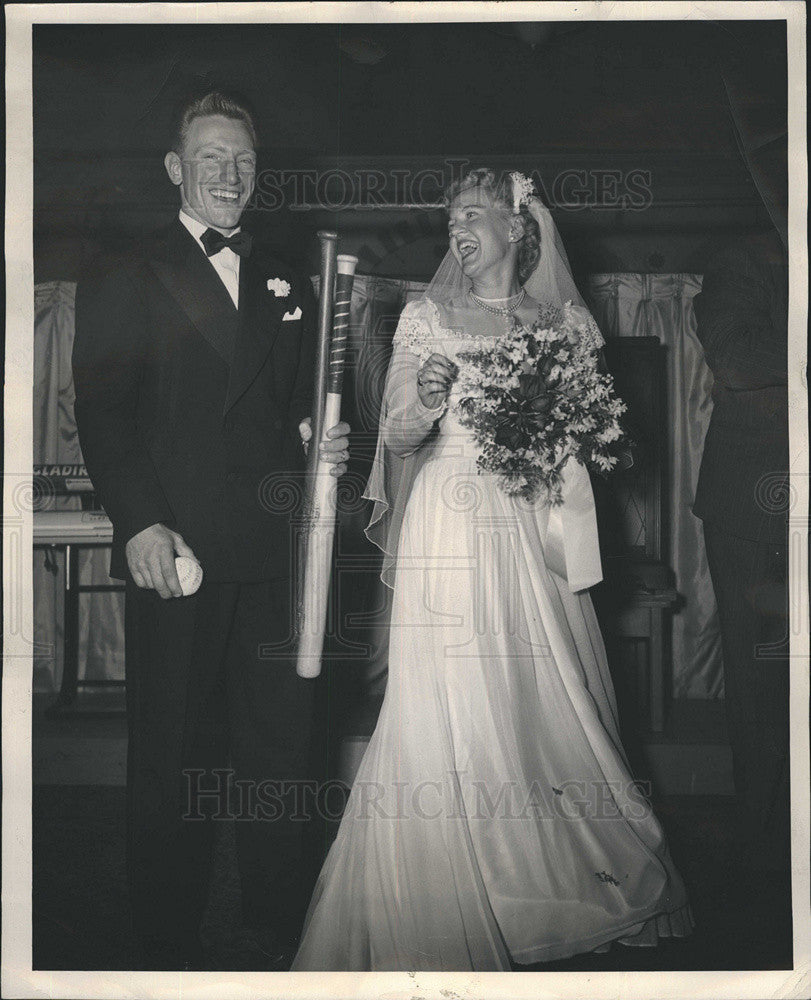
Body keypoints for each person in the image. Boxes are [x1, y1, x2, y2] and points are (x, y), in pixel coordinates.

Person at [291, 169, 693, 971]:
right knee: (448, 701)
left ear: (518, 230)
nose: (458, 228)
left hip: (529, 523)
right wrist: (427, 400)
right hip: (449, 515)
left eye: (474, 213)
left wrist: (556, 440)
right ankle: (442, 892)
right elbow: (398, 435)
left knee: (537, 695)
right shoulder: (424, 316)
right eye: (451, 217)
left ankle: (539, 881)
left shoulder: (558, 323)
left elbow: (586, 428)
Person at [72, 90, 350, 971]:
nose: (230, 176)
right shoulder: (125, 271)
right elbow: (105, 415)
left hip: (275, 552)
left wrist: (325, 436)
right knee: (172, 752)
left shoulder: (288, 274)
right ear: (175, 169)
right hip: (178, 550)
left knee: (282, 749)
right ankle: (163, 936)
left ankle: (280, 926)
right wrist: (142, 523)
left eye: (243, 161)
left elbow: (300, 410)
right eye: (211, 159)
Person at [693, 229, 790, 876]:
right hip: (755, 510)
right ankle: (765, 847)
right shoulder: (744, 254)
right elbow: (735, 357)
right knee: (762, 681)